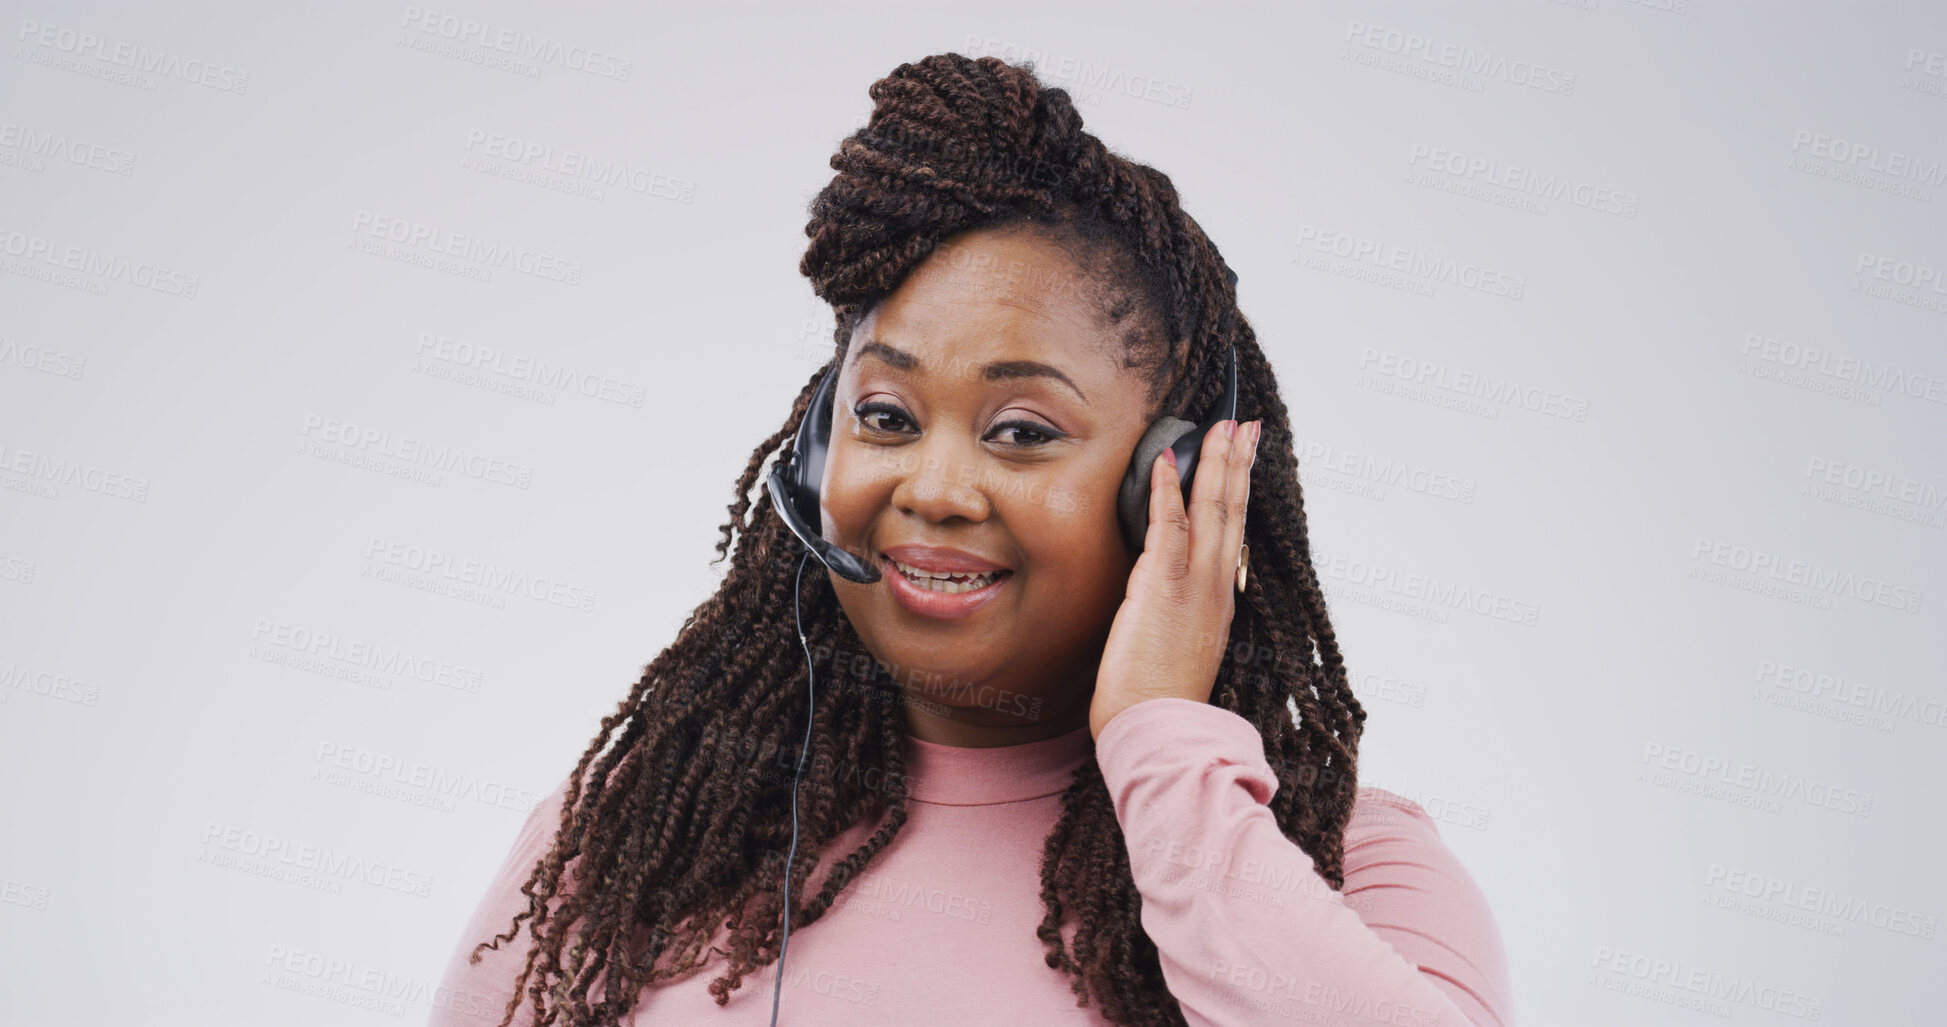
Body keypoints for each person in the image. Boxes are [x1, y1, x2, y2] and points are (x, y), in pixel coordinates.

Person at [431, 52, 1513, 1027]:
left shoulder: (1350, 873)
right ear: (814, 458)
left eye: (1022, 432)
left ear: (1169, 482)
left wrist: (1164, 746)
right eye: (886, 417)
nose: (936, 488)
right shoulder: (629, 845)